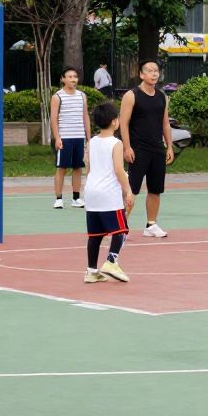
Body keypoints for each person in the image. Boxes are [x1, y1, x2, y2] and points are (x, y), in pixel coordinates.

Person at [118, 59, 174, 238]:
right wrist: (127, 147)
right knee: (131, 189)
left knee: (155, 189)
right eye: (150, 71)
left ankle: (151, 224)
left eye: (156, 71)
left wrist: (169, 146)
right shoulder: (131, 95)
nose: (154, 73)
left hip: (157, 149)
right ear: (142, 74)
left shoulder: (162, 96)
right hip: (138, 149)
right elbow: (123, 124)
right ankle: (121, 225)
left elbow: (165, 123)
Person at [83, 102, 134, 283]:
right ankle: (112, 261)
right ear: (114, 122)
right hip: (108, 193)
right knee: (121, 229)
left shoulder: (92, 142)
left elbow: (88, 167)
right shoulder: (116, 143)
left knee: (95, 235)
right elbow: (119, 170)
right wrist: (127, 190)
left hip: (91, 192)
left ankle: (91, 271)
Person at [49, 67, 91, 209]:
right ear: (63, 79)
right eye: (70, 76)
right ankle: (59, 198)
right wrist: (57, 138)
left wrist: (88, 138)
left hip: (79, 137)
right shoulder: (57, 96)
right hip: (64, 138)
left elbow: (85, 117)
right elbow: (53, 119)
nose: (73, 79)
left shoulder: (82, 96)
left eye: (75, 76)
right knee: (62, 168)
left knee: (78, 167)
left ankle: (76, 198)